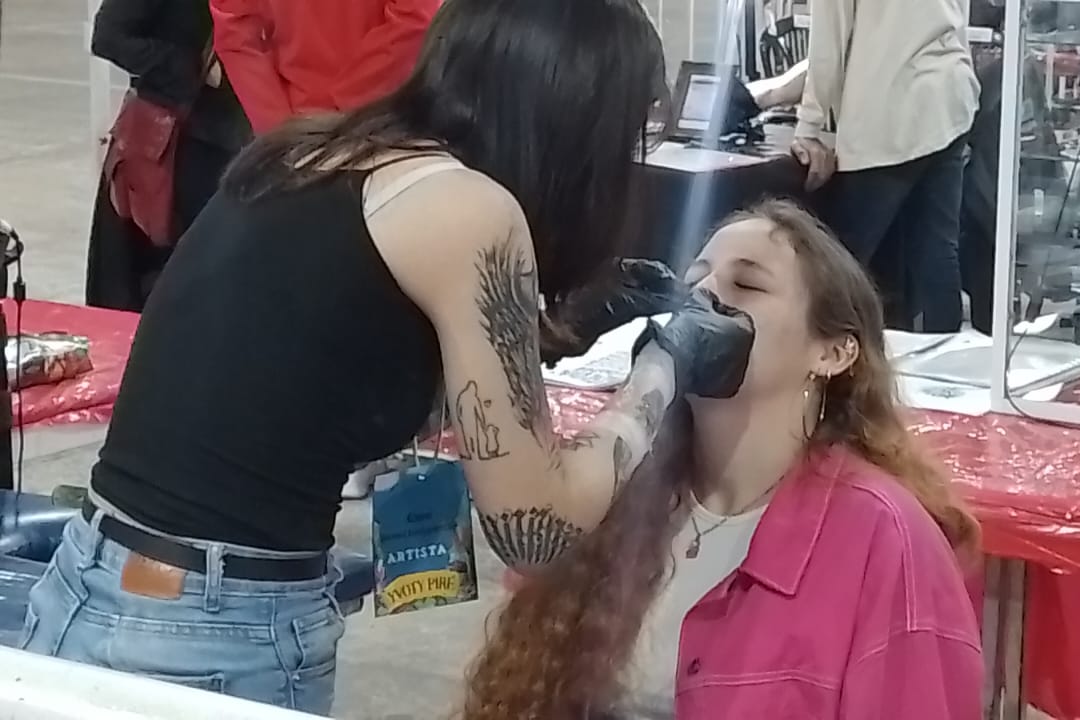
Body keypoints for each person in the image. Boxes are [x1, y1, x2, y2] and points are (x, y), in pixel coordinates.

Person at [20, 0, 753, 714]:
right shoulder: (470, 211)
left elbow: (314, 367)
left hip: (91, 585)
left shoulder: (316, 152)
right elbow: (536, 524)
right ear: (578, 125)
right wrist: (663, 367)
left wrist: (557, 325)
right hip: (206, 629)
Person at [465, 200, 984, 720]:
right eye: (694, 283)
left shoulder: (886, 541)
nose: (706, 295)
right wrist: (550, 334)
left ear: (831, 353)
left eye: (747, 285)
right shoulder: (614, 495)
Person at [791, 0, 979, 332]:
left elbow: (829, 39)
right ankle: (946, 360)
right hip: (949, 95)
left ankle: (834, 356)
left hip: (887, 110)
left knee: (843, 261)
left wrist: (809, 125)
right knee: (935, 252)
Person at [85, 0, 251, 311]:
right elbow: (108, 37)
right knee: (166, 282)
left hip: (235, 139)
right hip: (173, 149)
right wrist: (192, 68)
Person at [210, 0, 441, 134]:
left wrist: (277, 127)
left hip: (296, 127)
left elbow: (235, 33)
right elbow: (416, 19)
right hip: (379, 123)